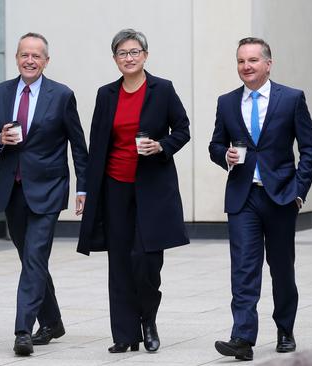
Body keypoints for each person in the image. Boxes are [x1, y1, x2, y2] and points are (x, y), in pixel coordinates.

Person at [77, 28, 190, 354]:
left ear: (145, 55)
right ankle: (125, 334)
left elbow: (182, 129)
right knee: (120, 263)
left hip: (152, 187)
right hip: (114, 188)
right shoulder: (106, 94)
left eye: (134, 52)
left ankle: (148, 321)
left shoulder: (162, 90)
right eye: (122, 53)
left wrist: (161, 146)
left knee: (147, 261)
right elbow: (96, 144)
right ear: (115, 59)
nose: (129, 58)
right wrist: (86, 189)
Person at [209, 37, 312, 361]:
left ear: (268, 64)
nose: (246, 66)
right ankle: (242, 338)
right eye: (241, 61)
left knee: (281, 269)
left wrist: (298, 192)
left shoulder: (292, 99)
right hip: (243, 198)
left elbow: (309, 150)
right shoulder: (227, 102)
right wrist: (224, 156)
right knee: (243, 269)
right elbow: (215, 145)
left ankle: (285, 328)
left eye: (253, 60)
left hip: (282, 197)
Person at [0, 32, 88, 356]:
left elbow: (78, 145)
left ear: (46, 61)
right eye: (24, 55)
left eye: (36, 56)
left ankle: (22, 330)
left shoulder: (62, 95)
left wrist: (83, 187)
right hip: (11, 189)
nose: (30, 60)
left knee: (34, 255)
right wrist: (0, 139)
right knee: (31, 258)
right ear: (16, 58)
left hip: (48, 188)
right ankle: (53, 320)